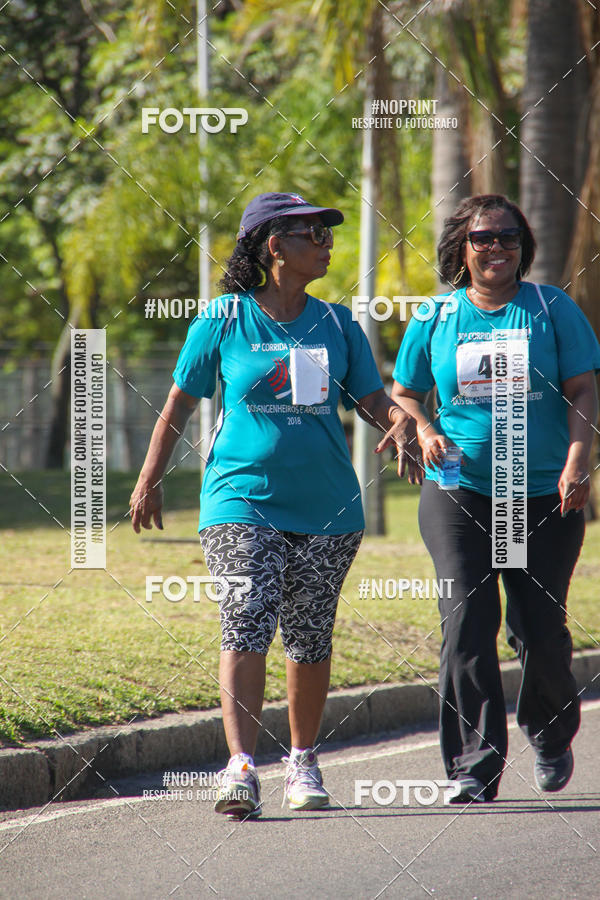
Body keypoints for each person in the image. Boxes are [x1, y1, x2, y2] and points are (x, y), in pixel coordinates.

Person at [130, 191, 416, 818]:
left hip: (327, 506)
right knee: (247, 612)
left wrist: (399, 422)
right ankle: (239, 767)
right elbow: (178, 403)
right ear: (273, 245)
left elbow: (369, 398)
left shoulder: (339, 324)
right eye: (312, 232)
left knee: (310, 635)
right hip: (239, 496)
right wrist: (149, 476)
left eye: (327, 232)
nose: (326, 242)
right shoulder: (224, 319)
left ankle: (303, 759)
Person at [391, 193, 600, 803]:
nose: (497, 248)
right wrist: (425, 429)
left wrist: (579, 460)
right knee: (466, 621)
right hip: (461, 489)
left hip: (537, 495)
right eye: (483, 237)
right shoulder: (436, 315)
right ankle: (472, 768)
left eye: (508, 237)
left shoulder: (550, 307)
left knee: (539, 629)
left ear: (522, 246)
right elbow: (404, 391)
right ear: (463, 246)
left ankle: (551, 732)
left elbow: (583, 390)